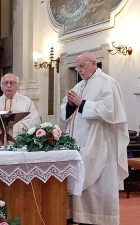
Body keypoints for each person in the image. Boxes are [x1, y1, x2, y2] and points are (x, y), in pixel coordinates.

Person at [61, 52, 128, 225]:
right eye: (77, 67)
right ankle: (78, 218)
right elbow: (65, 113)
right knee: (80, 187)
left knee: (96, 186)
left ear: (94, 63)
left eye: (82, 66)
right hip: (78, 146)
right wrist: (70, 105)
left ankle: (99, 220)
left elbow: (110, 111)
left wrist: (82, 103)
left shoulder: (107, 83)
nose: (79, 70)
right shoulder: (79, 85)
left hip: (99, 144)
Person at [0, 73, 40, 138]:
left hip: (20, 142)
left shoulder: (27, 102)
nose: (8, 85)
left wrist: (15, 126)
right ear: (1, 86)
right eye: (5, 83)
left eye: (12, 83)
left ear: (17, 86)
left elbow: (35, 122)